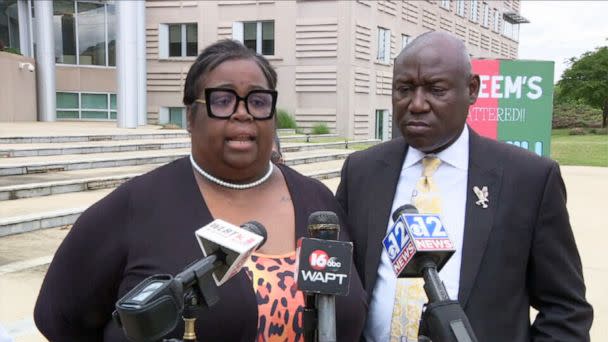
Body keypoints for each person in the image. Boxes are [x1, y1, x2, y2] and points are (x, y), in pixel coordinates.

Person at [34, 39, 366, 342]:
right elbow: (60, 319)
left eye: (258, 101)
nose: (242, 112)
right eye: (222, 101)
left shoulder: (317, 201)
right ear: (191, 117)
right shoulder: (134, 206)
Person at [336, 31, 593, 341]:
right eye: (404, 89)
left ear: (472, 90)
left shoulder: (529, 179)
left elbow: (566, 309)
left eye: (435, 89)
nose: (416, 104)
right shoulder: (361, 171)